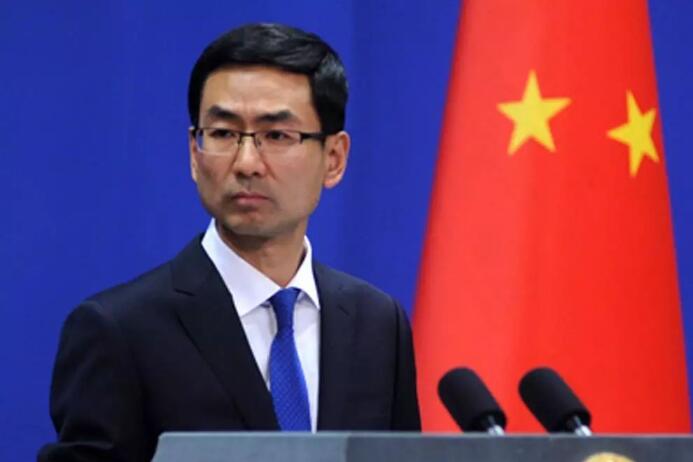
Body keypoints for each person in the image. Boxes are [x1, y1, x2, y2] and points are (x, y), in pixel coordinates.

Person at [38, 23, 420, 462]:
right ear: (194, 153)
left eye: (277, 136)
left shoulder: (377, 324)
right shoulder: (119, 330)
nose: (247, 163)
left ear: (333, 158)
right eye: (222, 134)